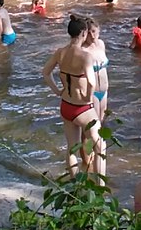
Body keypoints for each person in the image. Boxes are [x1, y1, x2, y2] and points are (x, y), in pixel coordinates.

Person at [41, 16, 106, 176]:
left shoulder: (60, 52)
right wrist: (89, 98)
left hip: (66, 105)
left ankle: (74, 184)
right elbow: (91, 82)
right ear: (83, 33)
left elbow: (46, 73)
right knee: (100, 147)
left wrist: (57, 91)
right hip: (82, 107)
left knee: (71, 149)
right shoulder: (85, 56)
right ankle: (101, 188)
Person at [84, 16, 110, 122]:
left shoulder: (101, 44)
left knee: (102, 122)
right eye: (89, 33)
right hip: (92, 92)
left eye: (94, 31)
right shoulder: (83, 50)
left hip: (104, 91)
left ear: (99, 29)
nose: (92, 35)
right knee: (93, 124)